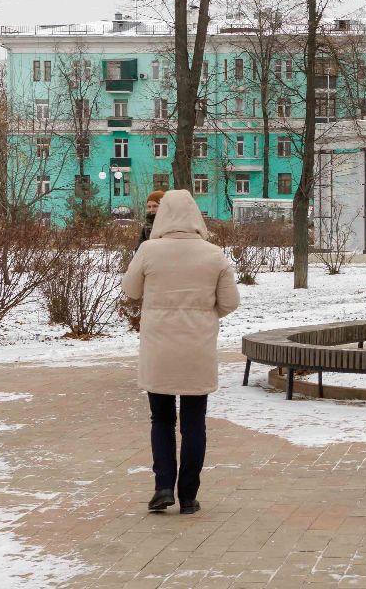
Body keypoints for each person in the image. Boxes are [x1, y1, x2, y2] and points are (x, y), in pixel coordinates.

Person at [121, 190, 239, 514]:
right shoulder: (214, 254)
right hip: (197, 348)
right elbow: (230, 302)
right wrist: (204, 313)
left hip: (159, 348)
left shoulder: (148, 250)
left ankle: (162, 487)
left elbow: (130, 290)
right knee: (194, 423)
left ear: (162, 216)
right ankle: (188, 495)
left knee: (160, 418)